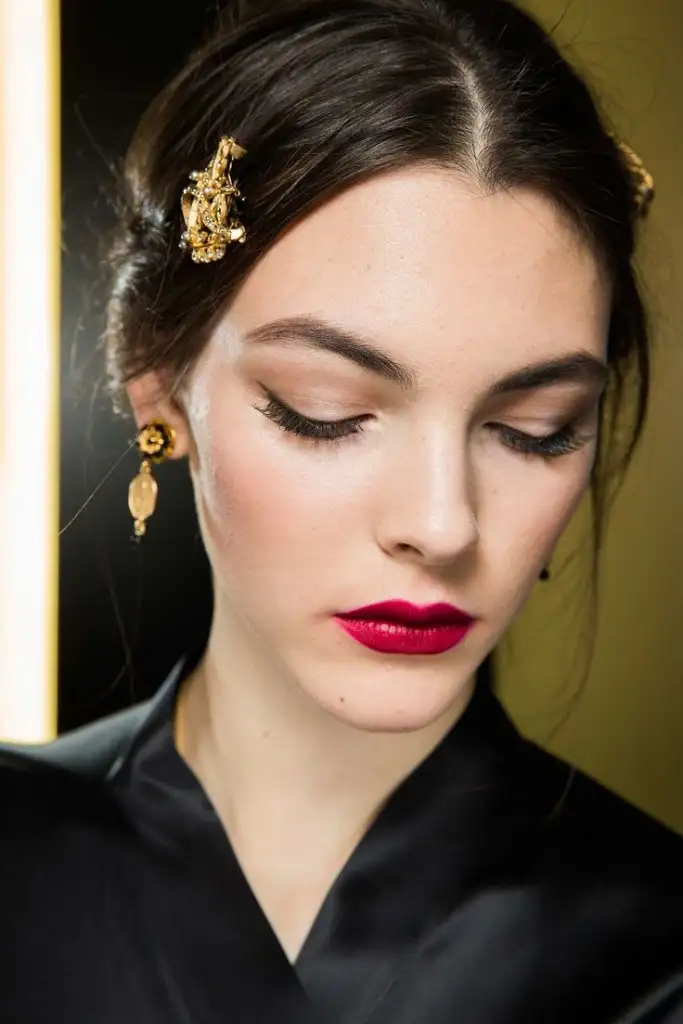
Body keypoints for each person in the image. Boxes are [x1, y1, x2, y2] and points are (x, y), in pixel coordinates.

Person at [2, 0, 682, 1021]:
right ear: (157, 384)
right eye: (325, 412)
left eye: (533, 429)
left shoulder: (653, 951)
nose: (442, 524)